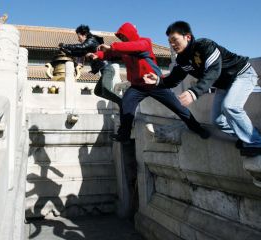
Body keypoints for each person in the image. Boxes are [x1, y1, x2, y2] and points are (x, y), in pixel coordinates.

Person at [143, 21, 261, 156]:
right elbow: (174, 79)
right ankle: (248, 134)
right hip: (224, 85)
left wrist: (194, 92)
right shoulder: (182, 60)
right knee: (217, 121)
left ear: (187, 36)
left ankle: (256, 143)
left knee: (230, 107)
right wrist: (157, 80)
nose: (172, 44)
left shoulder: (205, 46)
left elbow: (213, 71)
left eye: (175, 40)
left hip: (242, 74)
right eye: (170, 42)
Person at [88, 22, 209, 142]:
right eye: (121, 37)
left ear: (130, 34)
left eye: (124, 36)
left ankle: (197, 128)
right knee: (126, 105)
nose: (122, 39)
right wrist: (97, 55)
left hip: (155, 84)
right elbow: (110, 54)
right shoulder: (123, 48)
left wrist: (112, 46)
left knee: (178, 107)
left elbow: (131, 47)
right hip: (137, 86)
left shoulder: (145, 42)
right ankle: (124, 135)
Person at [59, 24, 122, 107]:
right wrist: (63, 49)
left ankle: (121, 102)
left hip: (108, 69)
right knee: (97, 92)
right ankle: (119, 102)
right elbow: (76, 53)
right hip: (104, 70)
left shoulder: (91, 40)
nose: (78, 39)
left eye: (79, 37)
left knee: (105, 90)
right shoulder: (87, 46)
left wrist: (65, 45)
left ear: (84, 34)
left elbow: (80, 47)